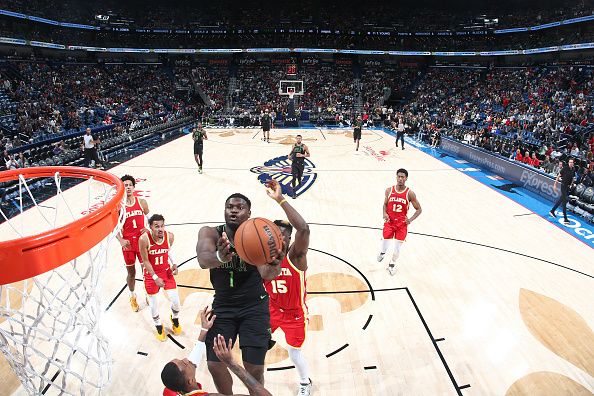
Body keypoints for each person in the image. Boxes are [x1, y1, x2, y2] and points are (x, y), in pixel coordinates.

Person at [196, 193, 283, 395]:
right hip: (223, 305)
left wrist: (276, 265)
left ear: (249, 213)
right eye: (230, 207)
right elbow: (203, 260)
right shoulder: (211, 233)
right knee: (214, 364)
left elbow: (267, 274)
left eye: (240, 207)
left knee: (254, 368)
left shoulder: (257, 236)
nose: (234, 210)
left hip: (254, 306)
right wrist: (220, 256)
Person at [263, 180, 313, 395]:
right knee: (256, 343)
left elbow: (304, 228)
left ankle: (304, 382)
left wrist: (280, 199)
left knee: (294, 353)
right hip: (271, 309)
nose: (281, 236)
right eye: (277, 232)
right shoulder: (263, 255)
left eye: (285, 234)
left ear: (290, 239)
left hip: (294, 314)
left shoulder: (296, 256)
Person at [161, 308, 273, 396]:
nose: (186, 359)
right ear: (190, 381)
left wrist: (204, 330)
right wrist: (231, 363)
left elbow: (191, 362)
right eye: (184, 363)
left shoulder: (171, 390)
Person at [139, 214, 182, 341]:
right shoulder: (144, 239)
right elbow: (145, 261)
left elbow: (167, 250)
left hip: (166, 271)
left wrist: (174, 263)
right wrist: (154, 277)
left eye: (162, 226)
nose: (160, 229)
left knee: (176, 301)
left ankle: (174, 318)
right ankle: (158, 325)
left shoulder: (170, 236)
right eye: (156, 226)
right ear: (151, 227)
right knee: (153, 304)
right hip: (151, 274)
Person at [377, 168, 423, 275]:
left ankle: (392, 263)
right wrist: (384, 213)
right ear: (396, 177)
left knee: (397, 247)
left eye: (403, 177)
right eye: (399, 176)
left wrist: (410, 220)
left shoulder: (410, 193)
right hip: (389, 221)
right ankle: (383, 253)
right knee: (385, 242)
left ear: (406, 178)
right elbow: (385, 204)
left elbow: (419, 209)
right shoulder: (389, 190)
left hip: (401, 224)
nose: (400, 179)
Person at [116, 175, 150, 312]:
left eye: (130, 184)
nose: (128, 187)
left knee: (146, 270)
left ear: (134, 187)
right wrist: (120, 240)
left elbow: (150, 219)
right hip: (128, 244)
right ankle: (132, 295)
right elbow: (113, 227)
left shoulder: (142, 202)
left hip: (141, 242)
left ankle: (148, 293)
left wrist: (148, 229)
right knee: (131, 273)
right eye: (125, 185)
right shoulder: (119, 207)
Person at [549, 158, 576, 224]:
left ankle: (552, 211)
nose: (571, 163)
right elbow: (558, 176)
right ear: (568, 163)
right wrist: (555, 185)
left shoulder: (573, 169)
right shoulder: (565, 168)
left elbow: (573, 178)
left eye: (572, 162)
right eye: (570, 162)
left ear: (573, 163)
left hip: (567, 187)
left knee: (561, 200)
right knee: (564, 201)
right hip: (563, 186)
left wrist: (571, 184)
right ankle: (565, 218)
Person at [288, 135, 310, 199]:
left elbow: (309, 154)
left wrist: (302, 155)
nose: (298, 140)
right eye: (297, 138)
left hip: (301, 164)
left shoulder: (304, 146)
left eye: (299, 138)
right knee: (294, 177)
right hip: (294, 163)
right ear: (296, 139)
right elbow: (291, 153)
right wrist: (289, 156)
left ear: (301, 139)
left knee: (299, 176)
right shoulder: (294, 145)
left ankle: (300, 180)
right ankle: (294, 193)